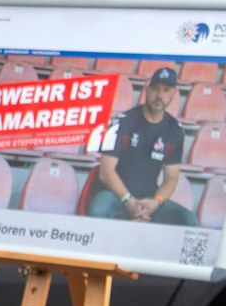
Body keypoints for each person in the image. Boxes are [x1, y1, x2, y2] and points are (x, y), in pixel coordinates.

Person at [84, 65, 198, 226]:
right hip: (116, 196)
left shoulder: (175, 130)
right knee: (99, 208)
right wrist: (129, 202)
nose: (159, 95)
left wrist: (156, 202)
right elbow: (105, 172)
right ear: (146, 90)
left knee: (189, 221)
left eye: (166, 90)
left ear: (173, 94)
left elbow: (171, 178)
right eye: (155, 89)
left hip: (149, 201)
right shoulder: (122, 122)